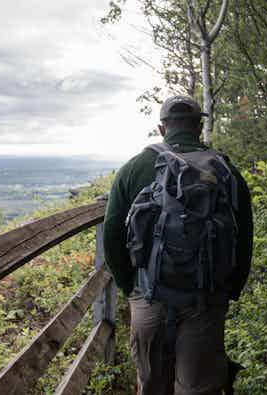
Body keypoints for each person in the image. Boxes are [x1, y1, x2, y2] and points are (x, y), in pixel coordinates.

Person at [103, 95, 253, 395]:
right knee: (198, 387)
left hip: (149, 294)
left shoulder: (134, 168)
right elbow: (244, 235)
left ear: (162, 129)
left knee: (152, 385)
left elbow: (111, 235)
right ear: (198, 127)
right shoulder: (225, 170)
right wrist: (229, 289)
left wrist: (130, 286)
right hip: (205, 299)